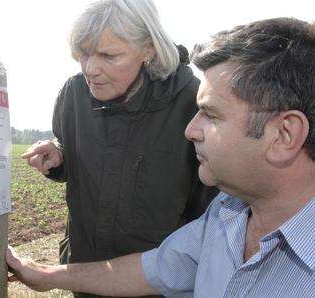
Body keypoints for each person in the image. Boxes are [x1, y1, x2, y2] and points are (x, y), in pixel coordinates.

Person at [7, 17, 315, 297]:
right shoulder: (225, 215)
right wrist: (46, 274)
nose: (190, 130)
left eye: (210, 114)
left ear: (284, 135)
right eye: (83, 55)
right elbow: (151, 269)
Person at [20, 3, 218, 296]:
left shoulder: (191, 104)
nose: (90, 69)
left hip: (156, 286)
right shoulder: (73, 95)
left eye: (108, 55)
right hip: (83, 272)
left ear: (148, 49)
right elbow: (79, 153)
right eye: (83, 54)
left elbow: (209, 208)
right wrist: (60, 156)